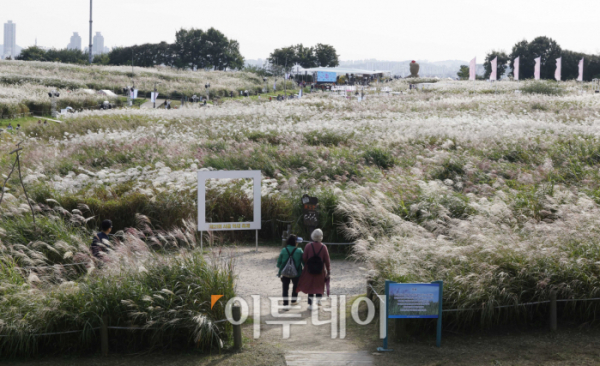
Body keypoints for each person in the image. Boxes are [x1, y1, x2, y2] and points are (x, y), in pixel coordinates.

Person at [297, 229, 331, 310]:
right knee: (319, 284)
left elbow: (304, 258)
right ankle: (319, 300)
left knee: (311, 286)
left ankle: (310, 304)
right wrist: (328, 270)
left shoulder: (308, 246)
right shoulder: (324, 247)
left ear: (313, 236)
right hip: (320, 270)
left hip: (310, 269)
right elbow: (327, 260)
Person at [277, 235, 304, 307]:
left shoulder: (284, 250)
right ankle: (293, 301)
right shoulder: (299, 250)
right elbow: (304, 262)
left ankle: (285, 304)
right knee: (296, 286)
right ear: (295, 242)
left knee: (285, 288)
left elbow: (279, 263)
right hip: (297, 273)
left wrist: (281, 270)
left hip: (285, 273)